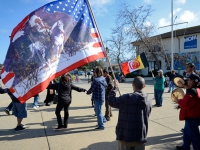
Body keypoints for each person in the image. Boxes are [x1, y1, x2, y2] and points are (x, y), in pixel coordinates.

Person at [108, 76, 152, 150]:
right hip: (140, 136)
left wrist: (115, 88)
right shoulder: (148, 99)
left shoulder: (127, 97)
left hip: (125, 136)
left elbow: (111, 100)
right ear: (144, 86)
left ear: (133, 85)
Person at [174, 74, 200, 150]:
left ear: (193, 81)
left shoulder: (192, 91)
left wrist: (178, 101)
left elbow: (185, 105)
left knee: (194, 137)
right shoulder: (197, 89)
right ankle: (185, 147)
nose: (187, 81)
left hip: (192, 118)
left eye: (189, 80)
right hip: (194, 116)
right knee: (186, 133)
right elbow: (191, 103)